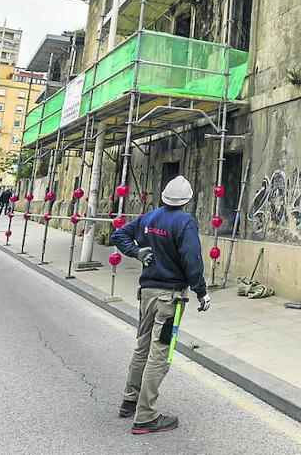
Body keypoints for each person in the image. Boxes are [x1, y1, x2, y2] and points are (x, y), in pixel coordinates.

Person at [111, 176, 211, 435]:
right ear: (187, 199)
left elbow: (118, 234)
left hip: (147, 293)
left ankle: (129, 401)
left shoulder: (149, 218)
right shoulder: (184, 222)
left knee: (142, 346)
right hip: (171, 298)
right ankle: (145, 416)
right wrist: (201, 291)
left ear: (164, 196)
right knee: (161, 354)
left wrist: (135, 251)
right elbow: (192, 258)